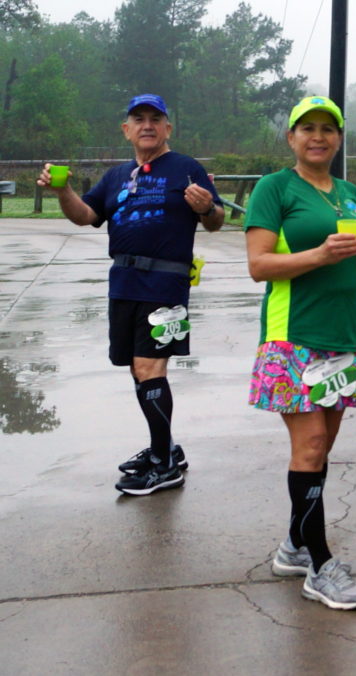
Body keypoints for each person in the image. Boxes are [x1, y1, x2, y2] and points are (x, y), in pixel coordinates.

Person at [245, 95, 356, 611]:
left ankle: (294, 544)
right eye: (307, 128)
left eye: (328, 129)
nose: (318, 136)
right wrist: (317, 254)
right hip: (291, 335)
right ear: (291, 138)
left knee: (319, 452)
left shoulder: (347, 194)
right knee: (313, 444)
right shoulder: (274, 189)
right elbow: (258, 264)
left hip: (342, 342)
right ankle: (320, 564)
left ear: (339, 139)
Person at [37, 93, 224, 496]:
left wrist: (208, 207)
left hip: (166, 283)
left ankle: (163, 464)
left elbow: (216, 222)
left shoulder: (186, 168)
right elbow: (85, 216)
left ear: (168, 128)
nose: (147, 125)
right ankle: (166, 447)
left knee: (149, 367)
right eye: (138, 118)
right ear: (126, 129)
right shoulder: (116, 176)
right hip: (123, 283)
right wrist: (63, 190)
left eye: (156, 118)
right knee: (138, 370)